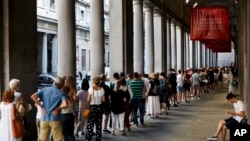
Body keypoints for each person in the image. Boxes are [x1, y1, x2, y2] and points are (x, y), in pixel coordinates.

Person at [30, 76, 68, 141]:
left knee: (42, 139)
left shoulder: (45, 89)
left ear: (54, 82)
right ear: (62, 85)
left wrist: (41, 107)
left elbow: (33, 96)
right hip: (55, 119)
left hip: (44, 118)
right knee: (57, 139)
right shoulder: (61, 93)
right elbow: (65, 104)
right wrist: (57, 108)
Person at [85, 76, 105, 141]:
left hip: (92, 107)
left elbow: (88, 99)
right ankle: (98, 138)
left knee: (90, 123)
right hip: (99, 107)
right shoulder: (101, 89)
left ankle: (88, 137)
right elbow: (103, 100)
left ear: (93, 81)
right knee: (99, 124)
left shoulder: (91, 89)